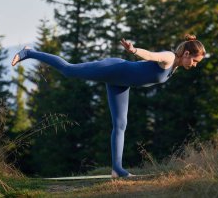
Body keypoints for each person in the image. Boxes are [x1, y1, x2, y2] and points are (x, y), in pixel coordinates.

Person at [11, 34, 206, 178]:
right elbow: (151, 56)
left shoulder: (176, 67)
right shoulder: (170, 57)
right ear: (187, 53)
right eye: (195, 61)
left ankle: (117, 169)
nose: (195, 65)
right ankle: (30, 52)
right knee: (68, 70)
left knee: (120, 124)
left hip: (121, 83)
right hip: (114, 69)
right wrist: (134, 50)